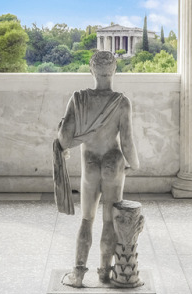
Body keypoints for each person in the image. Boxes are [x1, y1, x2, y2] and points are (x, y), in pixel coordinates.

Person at [57, 51, 139, 287]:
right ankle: (105, 272)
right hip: (114, 161)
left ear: (91, 70)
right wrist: (134, 163)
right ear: (114, 71)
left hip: (90, 161)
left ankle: (79, 274)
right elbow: (127, 143)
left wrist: (60, 134)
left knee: (86, 218)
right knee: (109, 221)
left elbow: (64, 138)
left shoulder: (78, 98)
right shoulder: (122, 101)